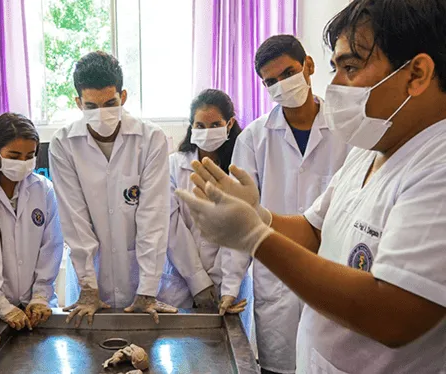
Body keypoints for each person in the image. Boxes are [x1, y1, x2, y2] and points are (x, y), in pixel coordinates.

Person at [177, 0, 446, 373]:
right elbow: (314, 228)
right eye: (336, 67)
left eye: (350, 67)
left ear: (416, 73)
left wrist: (255, 236)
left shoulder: (438, 166)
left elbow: (393, 314)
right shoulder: (371, 147)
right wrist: (259, 216)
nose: (334, 85)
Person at [227, 35, 352, 374]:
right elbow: (241, 219)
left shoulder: (347, 129)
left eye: (288, 73)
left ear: (308, 66)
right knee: (277, 368)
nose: (281, 85)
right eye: (271, 81)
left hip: (334, 273)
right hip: (276, 281)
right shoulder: (253, 139)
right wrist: (229, 286)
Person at [49, 51, 177, 327]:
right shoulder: (63, 144)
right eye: (91, 107)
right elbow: (75, 220)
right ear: (78, 103)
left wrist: (147, 290)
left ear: (124, 97)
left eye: (110, 103)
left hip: (140, 280)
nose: (102, 114)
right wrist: (88, 288)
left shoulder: (151, 139)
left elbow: (153, 218)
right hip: (89, 286)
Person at [157, 89, 249, 317]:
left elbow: (240, 231)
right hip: (180, 281)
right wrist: (198, 281)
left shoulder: (240, 169)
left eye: (215, 124)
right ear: (191, 127)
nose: (207, 132)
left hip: (228, 281)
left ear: (229, 124)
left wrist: (227, 287)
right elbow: (171, 226)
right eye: (200, 126)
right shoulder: (173, 166)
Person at [0, 112, 64, 329]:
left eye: (29, 156)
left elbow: (51, 247)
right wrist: (1, 305)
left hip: (36, 310)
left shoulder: (43, 189)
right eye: (14, 156)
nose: (22, 163)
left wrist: (40, 297)